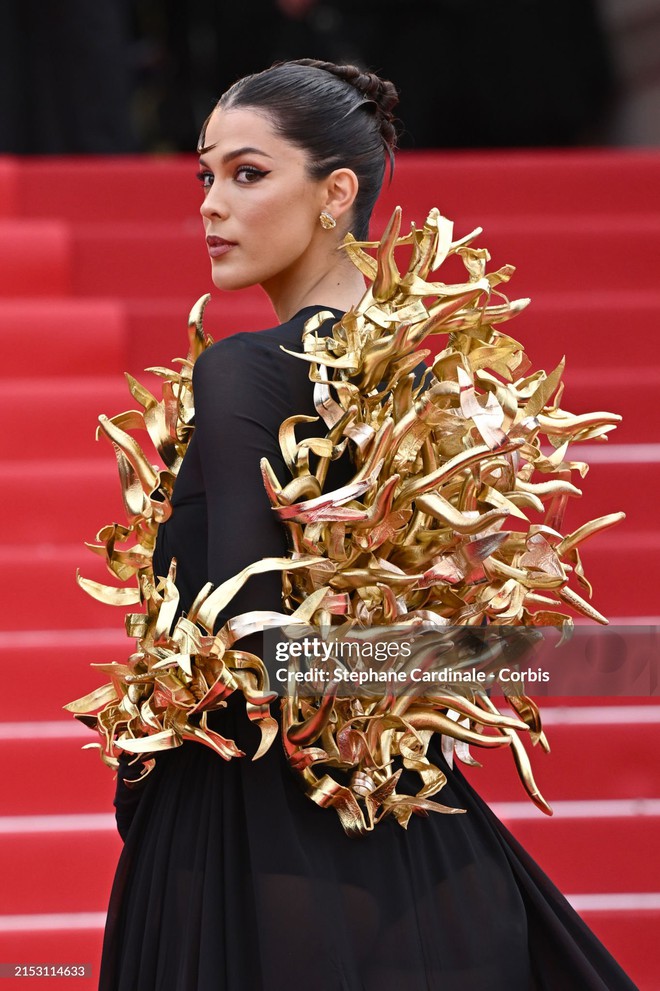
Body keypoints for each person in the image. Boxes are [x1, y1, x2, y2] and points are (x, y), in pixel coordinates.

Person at [95, 60, 637, 990]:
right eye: (206, 176)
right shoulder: (433, 388)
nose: (211, 206)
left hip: (258, 870)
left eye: (248, 173)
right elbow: (490, 645)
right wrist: (559, 655)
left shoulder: (247, 375)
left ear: (335, 193)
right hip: (426, 864)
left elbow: (267, 658)